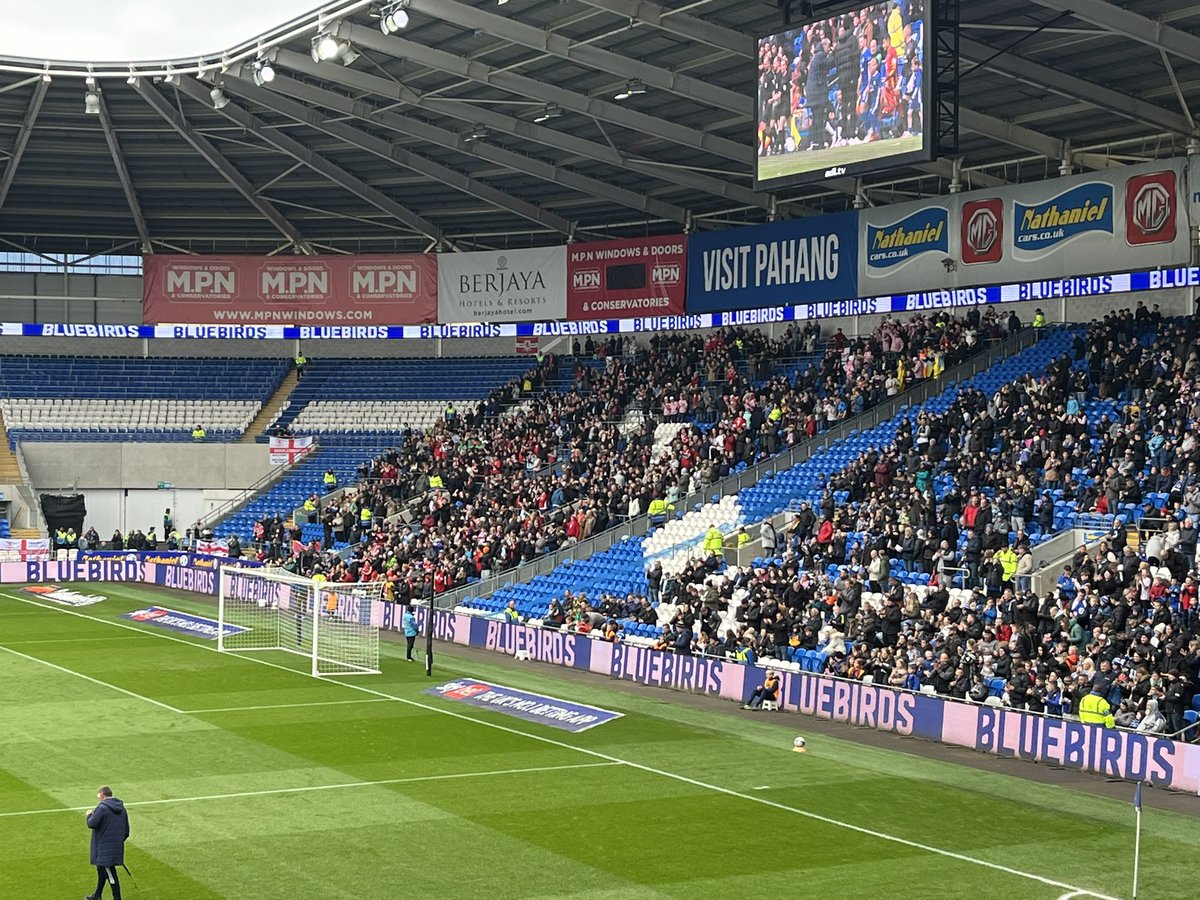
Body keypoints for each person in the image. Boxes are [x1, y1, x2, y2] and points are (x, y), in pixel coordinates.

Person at [85, 785, 129, 900]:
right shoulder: (122, 809)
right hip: (115, 847)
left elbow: (92, 823)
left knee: (110, 873)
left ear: (102, 795)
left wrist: (89, 815)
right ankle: (97, 895)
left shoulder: (102, 808)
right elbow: (126, 831)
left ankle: (117, 898)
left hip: (103, 848)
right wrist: (116, 843)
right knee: (101, 870)